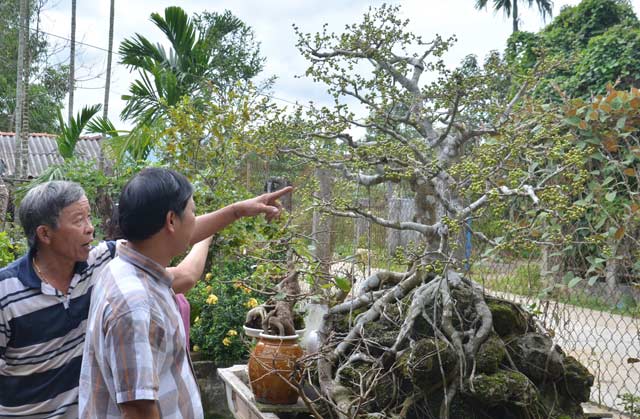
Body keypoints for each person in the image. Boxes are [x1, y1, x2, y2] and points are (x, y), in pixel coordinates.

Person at [79, 168, 291, 418]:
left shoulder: (124, 266)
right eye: (192, 211)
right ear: (171, 220)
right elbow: (138, 411)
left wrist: (237, 211)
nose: (196, 218)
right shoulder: (134, 306)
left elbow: (190, 238)